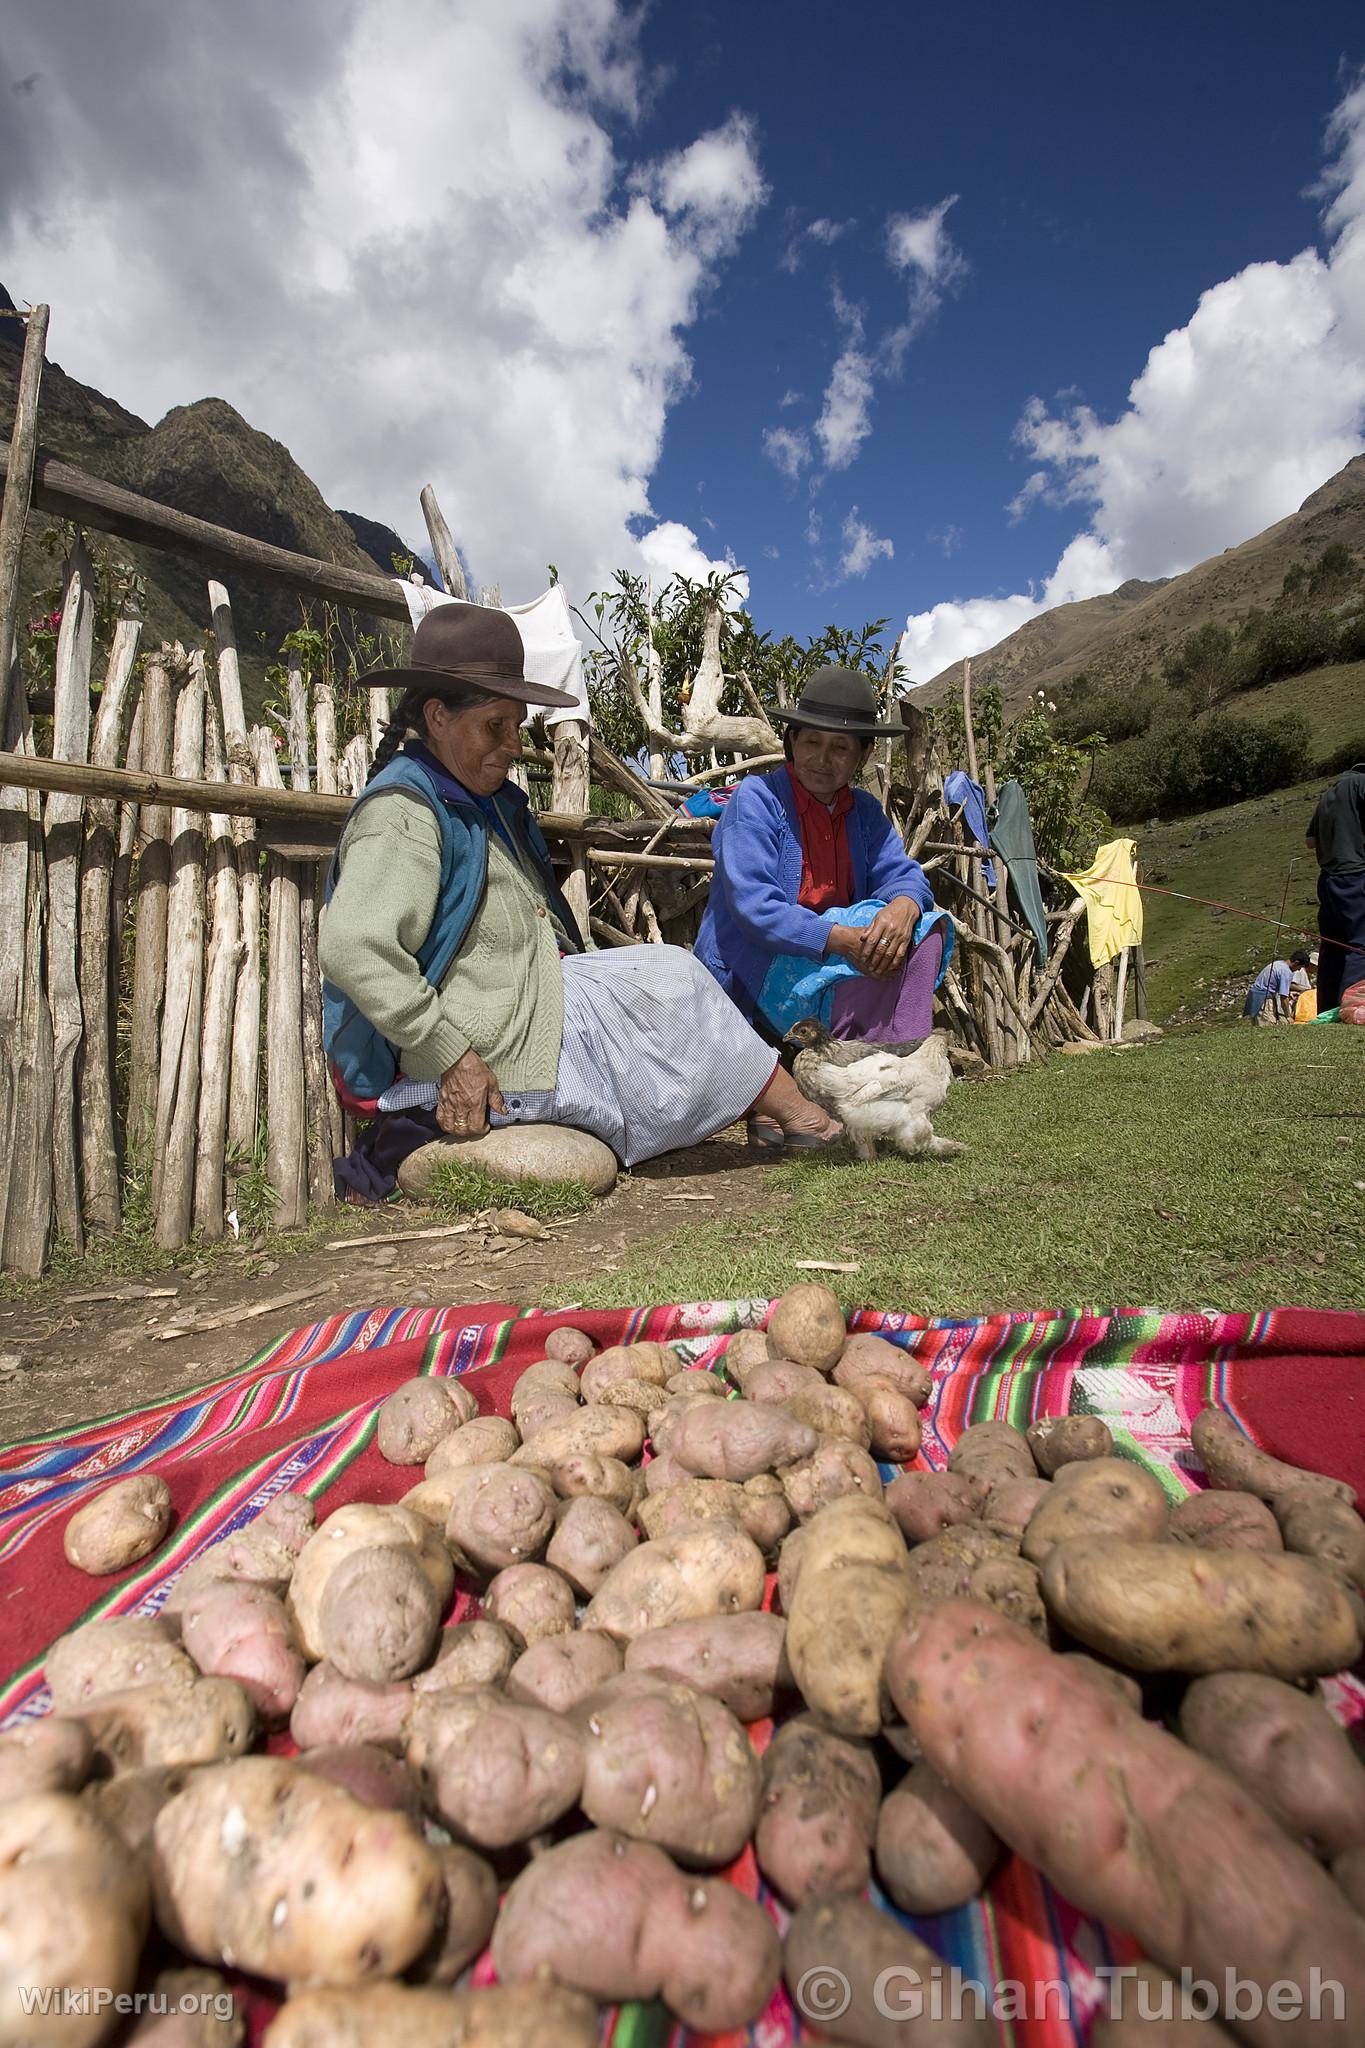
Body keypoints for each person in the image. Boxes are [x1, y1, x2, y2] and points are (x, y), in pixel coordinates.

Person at [318, 602, 841, 1203]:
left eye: (518, 725)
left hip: (523, 1007)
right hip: (475, 1042)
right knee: (670, 983)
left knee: (668, 975)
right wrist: (451, 1055)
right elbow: (354, 946)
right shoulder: (405, 813)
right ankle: (795, 1112)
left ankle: (779, 1111)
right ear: (437, 717)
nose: (515, 745)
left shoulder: (480, 801)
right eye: (496, 726)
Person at [694, 666, 946, 1147]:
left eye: (841, 748)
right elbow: (755, 907)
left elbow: (904, 875)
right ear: (791, 741)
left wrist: (904, 908)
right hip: (758, 960)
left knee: (927, 927)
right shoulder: (755, 802)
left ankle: (895, 1078)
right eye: (812, 743)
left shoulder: (865, 813)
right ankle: (836, 1098)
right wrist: (841, 939)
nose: (823, 760)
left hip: (836, 956)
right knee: (858, 936)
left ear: (863, 754)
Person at [1307, 760, 1365, 1011]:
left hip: (1328, 879)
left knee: (1333, 945)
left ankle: (1328, 1007)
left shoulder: (1329, 793)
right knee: (1362, 941)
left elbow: (1310, 841)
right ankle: (1356, 1006)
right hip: (1355, 875)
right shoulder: (1361, 784)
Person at [1242, 948, 1313, 1023]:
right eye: (1300, 967)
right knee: (1268, 1024)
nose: (1299, 970)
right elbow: (1283, 997)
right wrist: (1288, 1016)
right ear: (1296, 962)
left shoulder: (1278, 963)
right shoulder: (1286, 972)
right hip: (1264, 998)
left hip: (1255, 996)